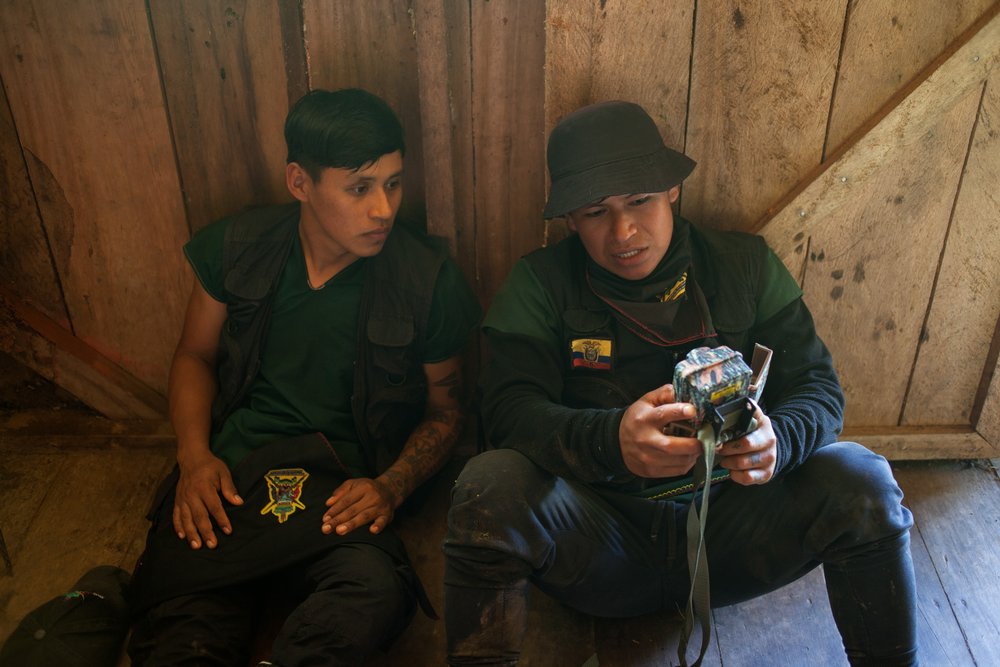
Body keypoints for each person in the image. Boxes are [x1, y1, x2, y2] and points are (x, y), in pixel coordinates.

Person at [443, 100, 917, 666]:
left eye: (640, 200)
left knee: (863, 478)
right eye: (596, 212)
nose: (623, 231)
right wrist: (609, 441)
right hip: (602, 543)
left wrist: (778, 443)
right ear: (569, 220)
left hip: (733, 537)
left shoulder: (744, 265)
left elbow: (819, 388)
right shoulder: (539, 285)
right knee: (488, 483)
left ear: (671, 190)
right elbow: (507, 412)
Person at [128, 88, 481, 667]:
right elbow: (193, 356)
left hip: (339, 495)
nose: (385, 209)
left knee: (372, 594)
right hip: (231, 481)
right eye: (360, 188)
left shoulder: (425, 281)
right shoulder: (237, 248)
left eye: (393, 183)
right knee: (181, 626)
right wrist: (194, 458)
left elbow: (446, 413)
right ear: (299, 182)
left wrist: (390, 486)